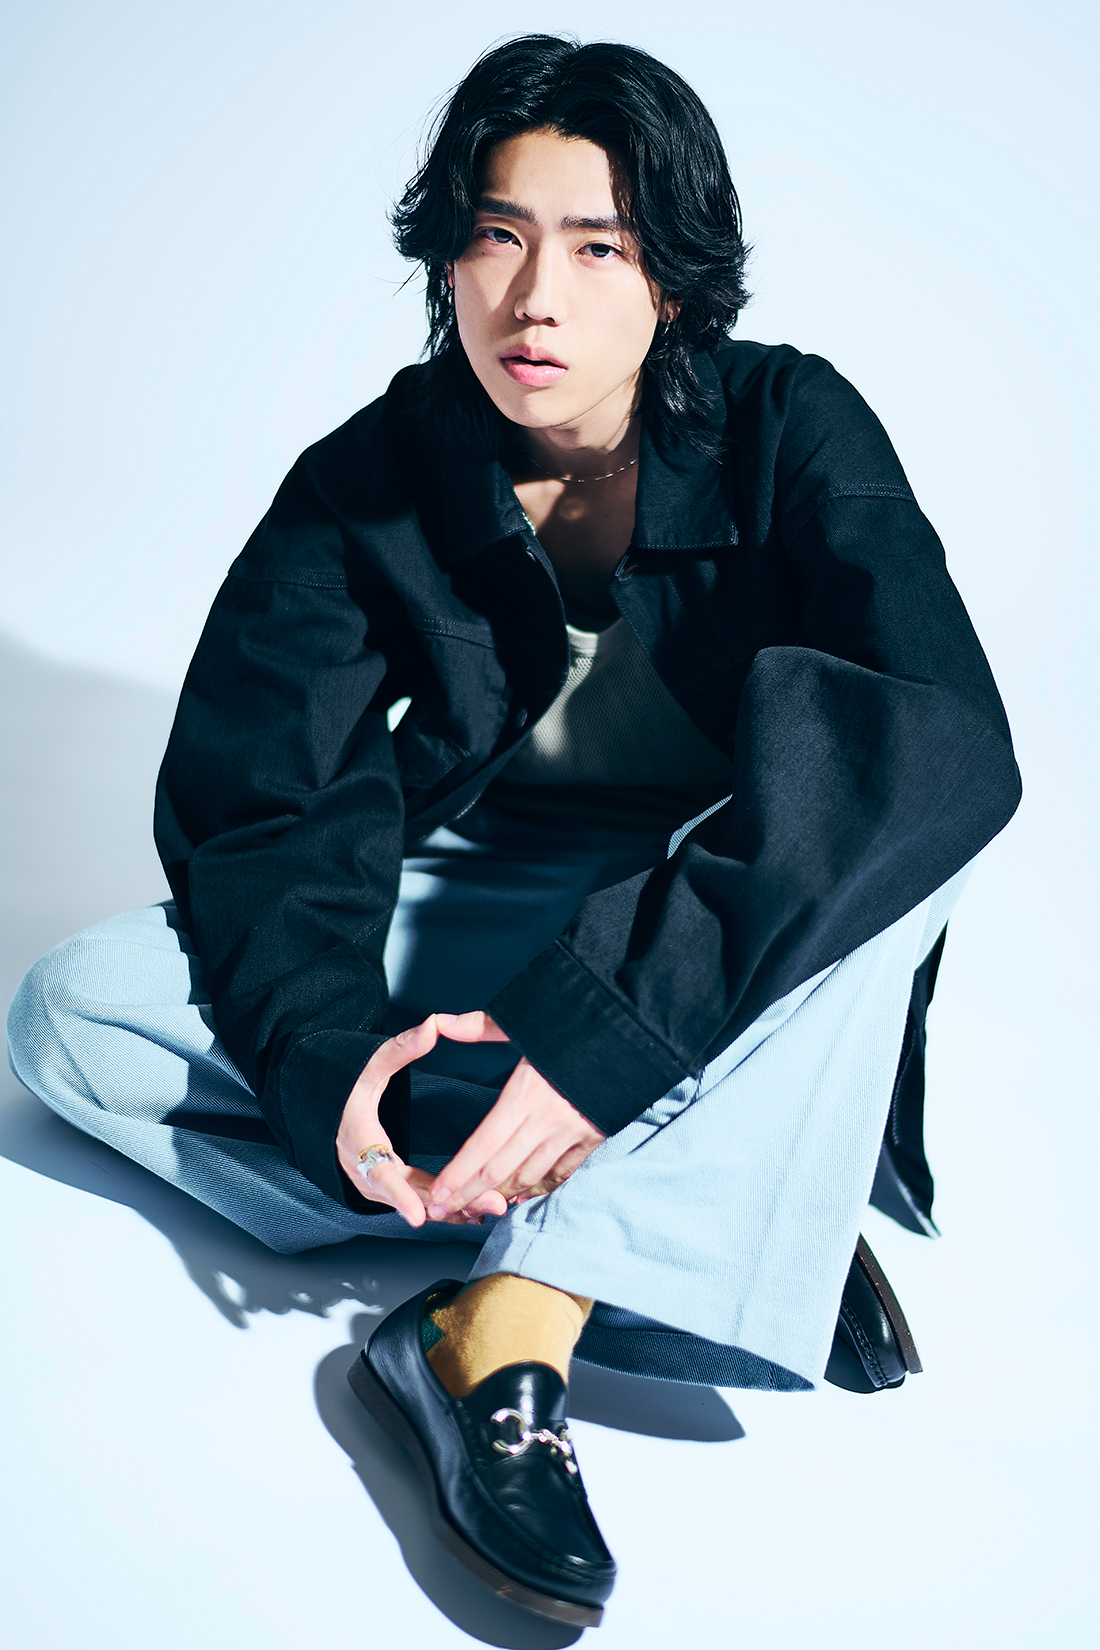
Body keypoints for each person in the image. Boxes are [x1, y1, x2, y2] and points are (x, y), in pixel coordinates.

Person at [7, 34, 1021, 1629]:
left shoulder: (792, 425)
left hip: (709, 916)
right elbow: (265, 799)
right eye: (499, 234)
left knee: (892, 867)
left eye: (599, 246)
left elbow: (936, 741)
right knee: (72, 1013)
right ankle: (702, 1193)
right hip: (490, 903)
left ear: (671, 279)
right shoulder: (371, 477)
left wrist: (607, 1033)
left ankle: (501, 1326)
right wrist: (329, 1057)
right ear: (449, 260)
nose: (536, 296)